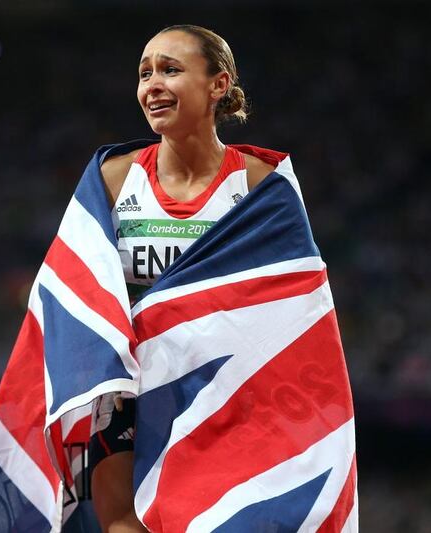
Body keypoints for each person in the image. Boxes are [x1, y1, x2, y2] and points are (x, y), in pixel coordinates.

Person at [89, 24, 276, 532]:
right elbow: (80, 290)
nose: (151, 83)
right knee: (125, 524)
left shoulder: (261, 185)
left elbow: (292, 301)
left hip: (226, 398)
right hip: (130, 395)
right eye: (144, 72)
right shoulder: (112, 179)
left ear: (219, 84)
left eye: (170, 69)